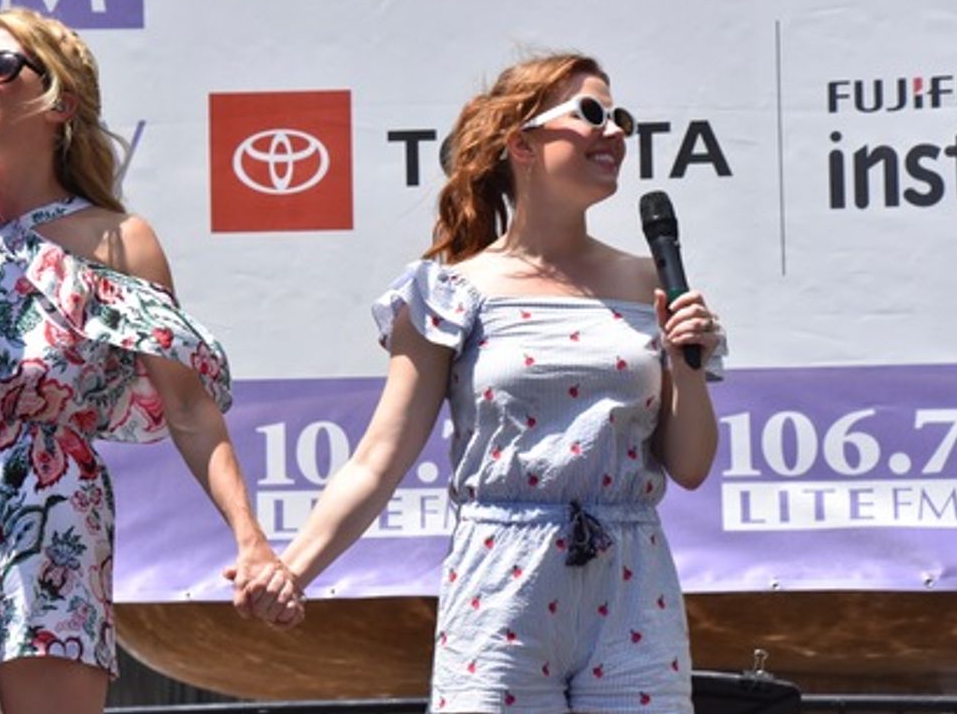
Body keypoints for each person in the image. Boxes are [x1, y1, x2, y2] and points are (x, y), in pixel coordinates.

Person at [0, 7, 301, 714]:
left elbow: (190, 408)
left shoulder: (117, 239)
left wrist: (252, 540)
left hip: (55, 508)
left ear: (59, 101)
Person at [262, 53, 725, 712]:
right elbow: (379, 457)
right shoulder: (452, 289)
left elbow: (692, 464)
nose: (615, 132)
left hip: (632, 577)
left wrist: (687, 363)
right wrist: (292, 569)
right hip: (502, 578)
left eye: (619, 117)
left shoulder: (650, 282)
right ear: (523, 144)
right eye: (591, 114)